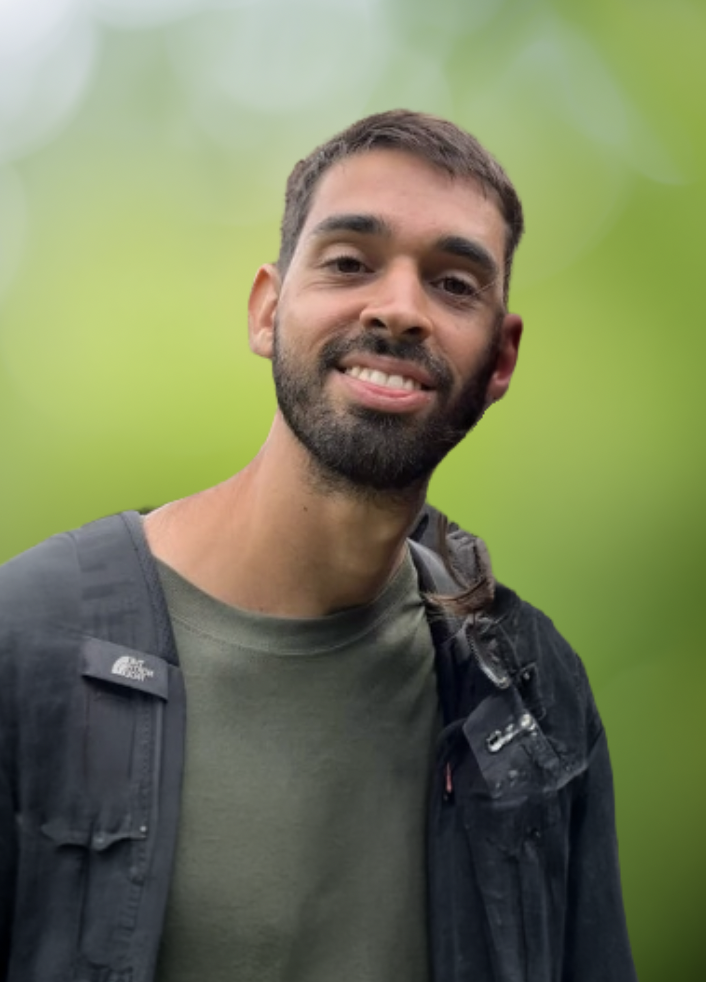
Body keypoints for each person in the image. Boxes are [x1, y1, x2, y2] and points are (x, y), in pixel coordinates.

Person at [0, 110, 637, 982]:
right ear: (268, 310)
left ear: (500, 360)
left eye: (454, 284)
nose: (400, 309)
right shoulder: (30, 640)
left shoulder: (531, 695)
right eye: (349, 263)